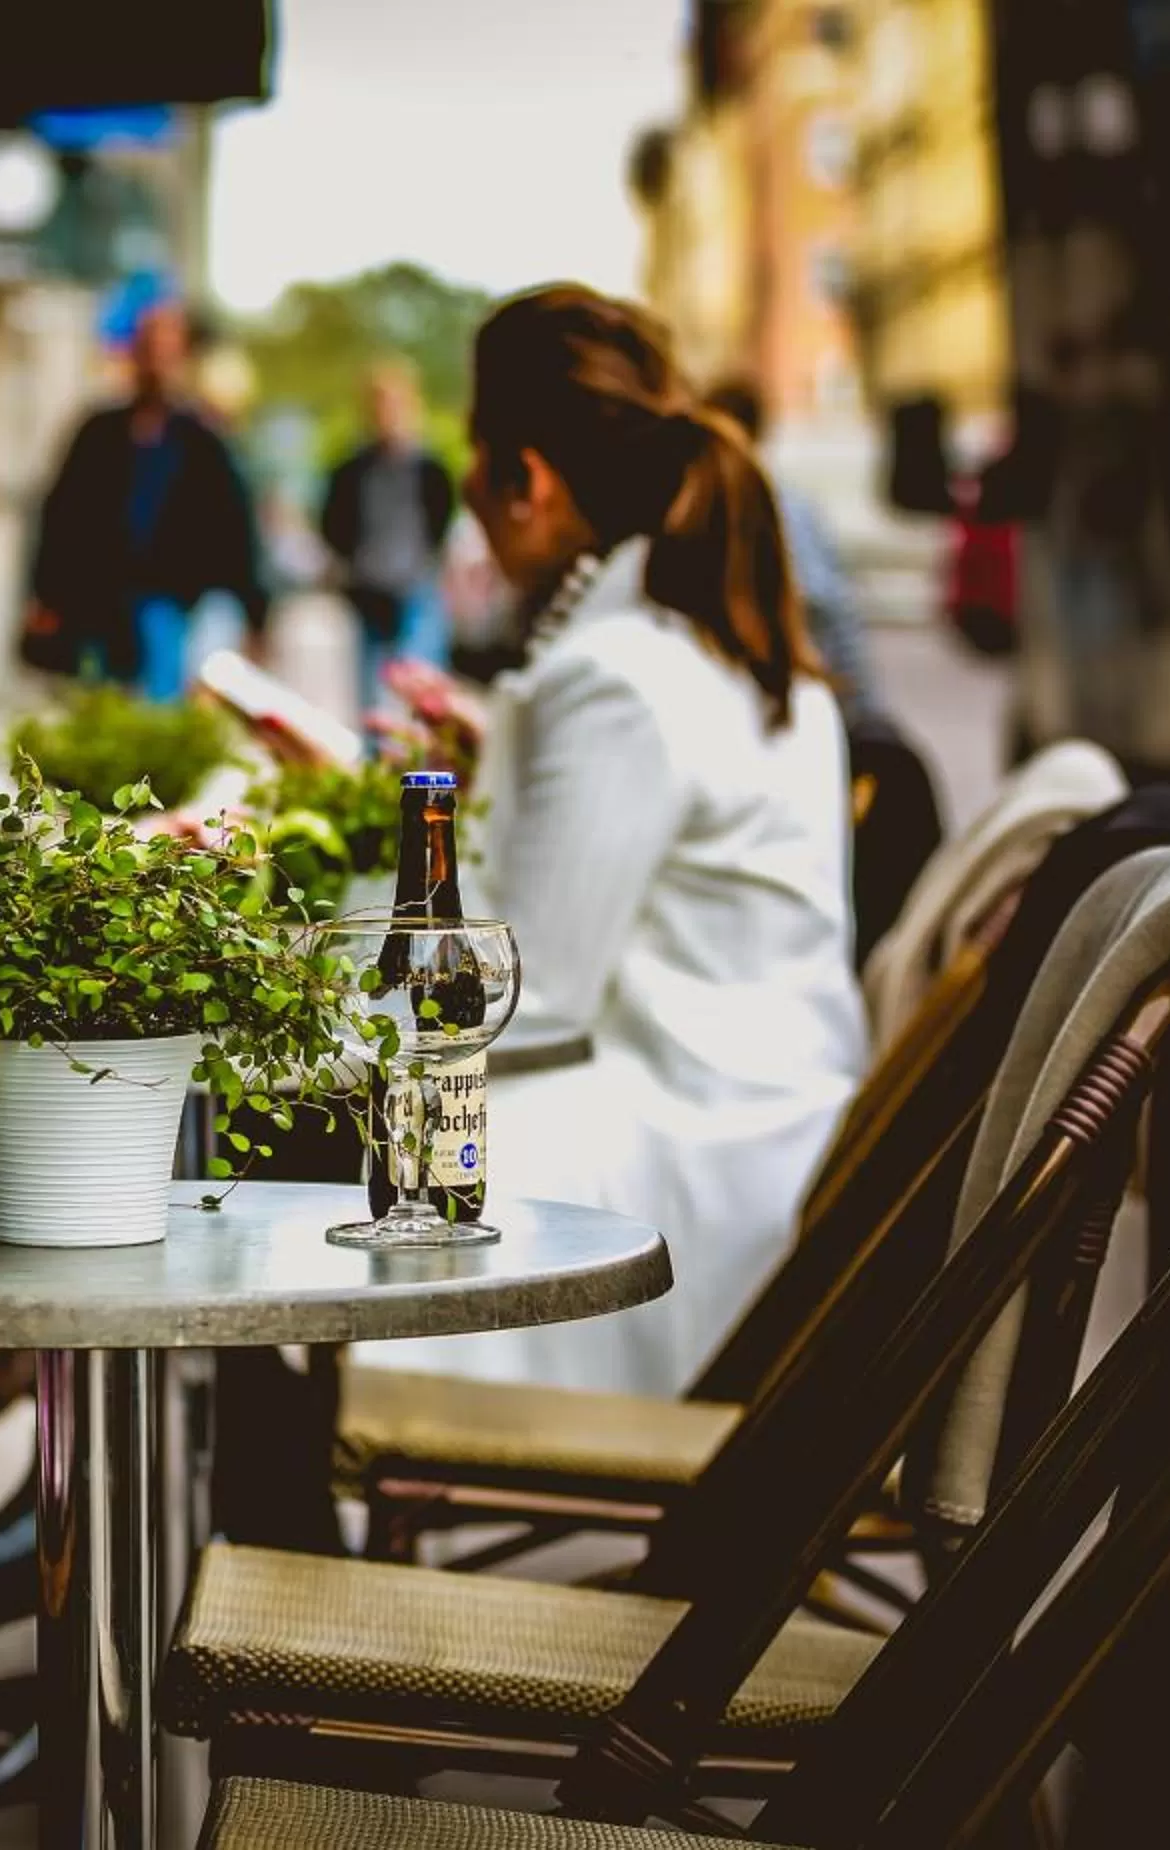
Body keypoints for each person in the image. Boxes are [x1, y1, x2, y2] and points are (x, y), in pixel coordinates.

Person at [366, 285, 868, 1398]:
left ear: (525, 480)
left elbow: (527, 995)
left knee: (306, 1145)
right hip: (761, 1137)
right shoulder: (709, 640)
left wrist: (301, 973)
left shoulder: (617, 677)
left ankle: (234, 1507)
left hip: (687, 1173)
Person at [24, 288, 266, 698]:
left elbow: (234, 528)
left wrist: (255, 614)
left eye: (167, 351)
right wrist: (45, 596)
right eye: (148, 349)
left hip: (168, 605)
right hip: (96, 602)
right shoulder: (98, 431)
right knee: (99, 713)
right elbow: (61, 516)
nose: (157, 362)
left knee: (157, 710)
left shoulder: (202, 441)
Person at [704, 377, 886, 728]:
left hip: (776, 692)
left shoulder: (773, 507)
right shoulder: (788, 506)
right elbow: (835, 611)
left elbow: (827, 607)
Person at [319, 358, 457, 718]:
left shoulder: (429, 467)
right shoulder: (352, 470)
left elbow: (443, 519)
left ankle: (422, 775)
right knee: (371, 693)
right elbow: (332, 522)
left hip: (415, 586)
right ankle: (378, 769)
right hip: (369, 587)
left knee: (421, 688)